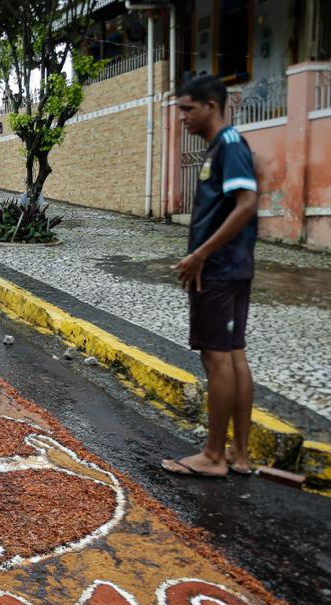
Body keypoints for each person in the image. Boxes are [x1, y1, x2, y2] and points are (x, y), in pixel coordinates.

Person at [162, 75, 259, 479]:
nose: (182, 117)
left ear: (211, 107)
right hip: (230, 266)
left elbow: (247, 202)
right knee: (233, 354)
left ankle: (214, 456)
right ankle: (238, 453)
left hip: (218, 270)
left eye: (187, 108)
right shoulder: (222, 147)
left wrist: (200, 255)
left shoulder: (229, 146)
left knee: (217, 357)